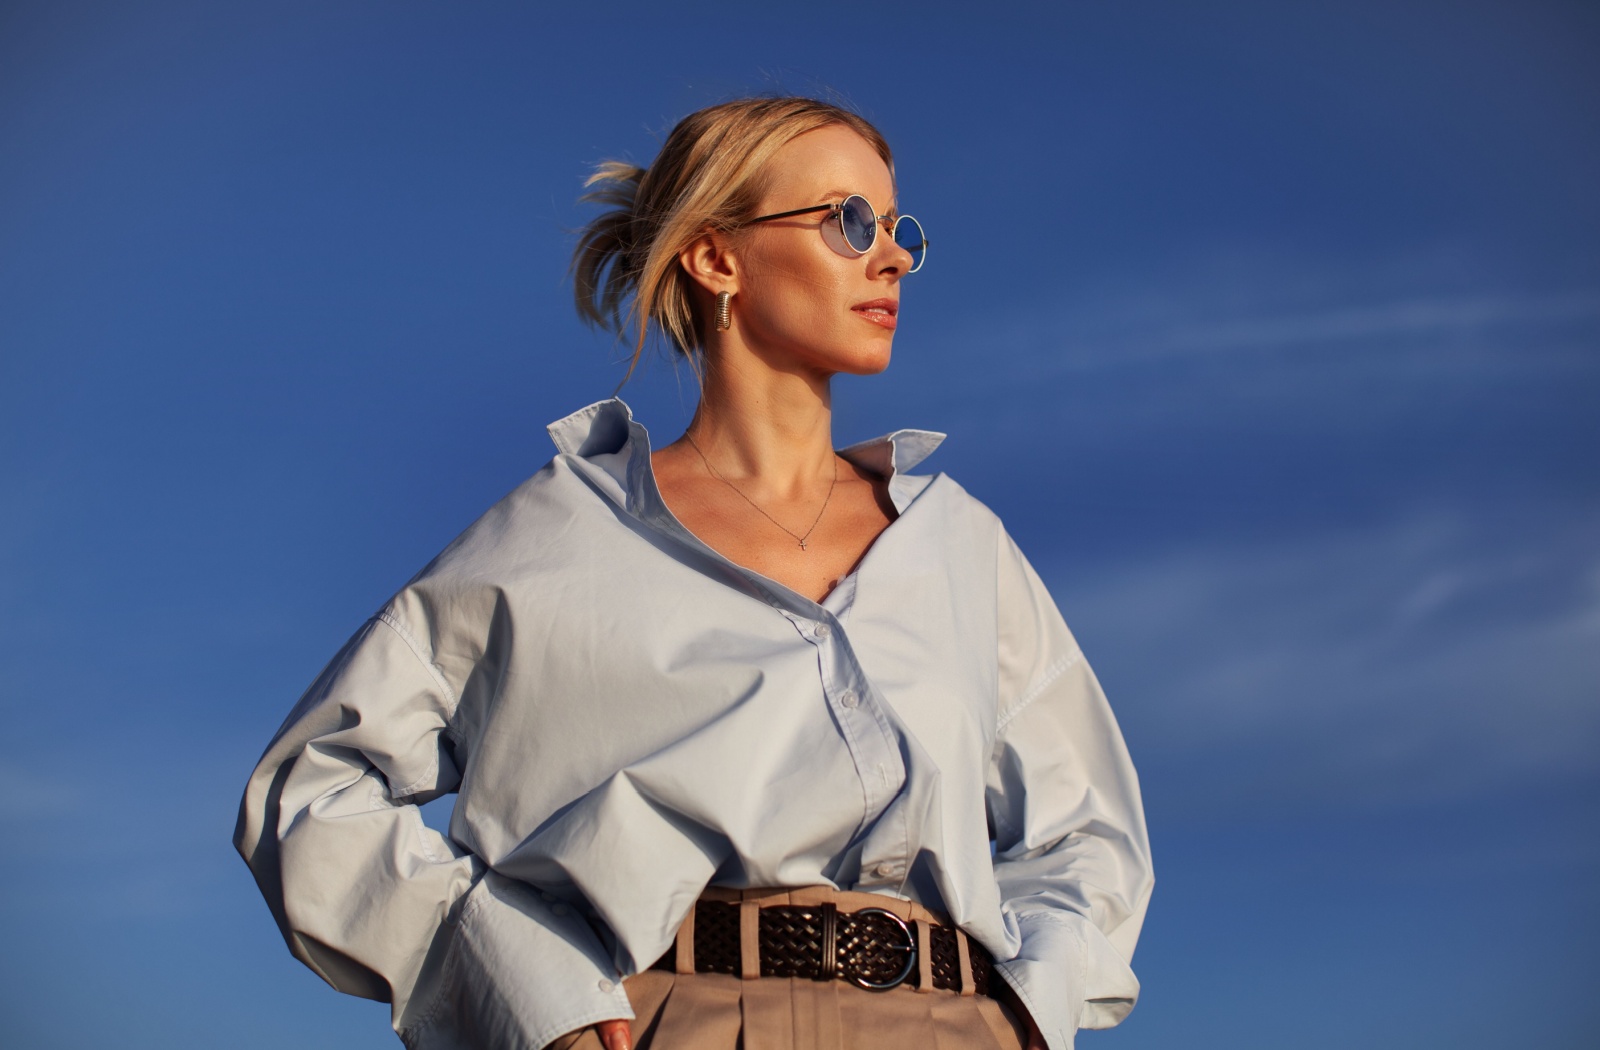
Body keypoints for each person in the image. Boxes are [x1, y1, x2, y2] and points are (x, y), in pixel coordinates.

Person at [234, 96, 1152, 1050]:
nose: (893, 257)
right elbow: (314, 790)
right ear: (717, 258)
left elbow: (1087, 833)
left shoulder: (961, 544)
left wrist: (1032, 1014)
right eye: (847, 221)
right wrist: (521, 987)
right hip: (669, 1022)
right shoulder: (554, 535)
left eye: (897, 228)